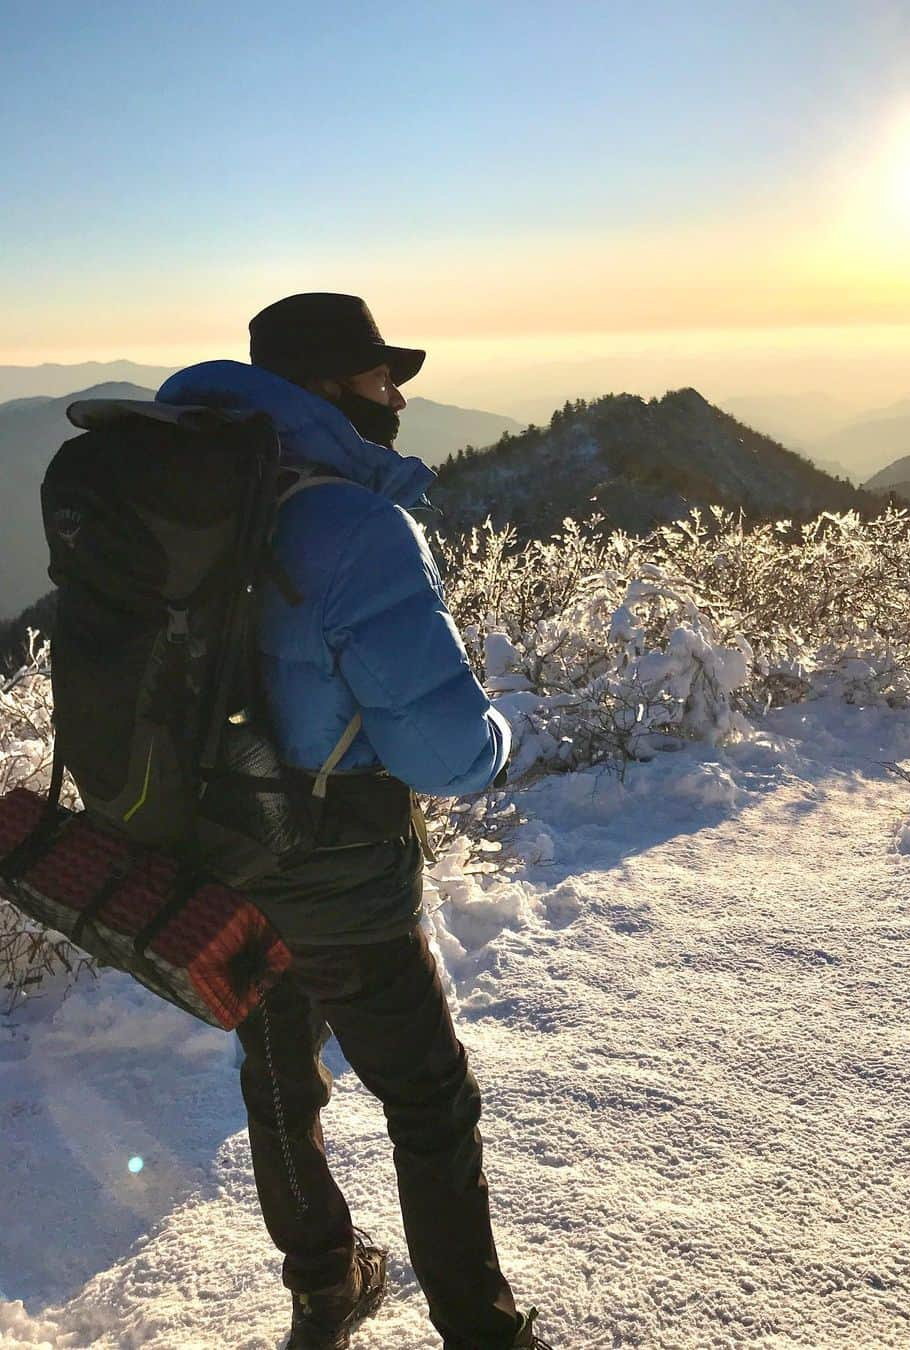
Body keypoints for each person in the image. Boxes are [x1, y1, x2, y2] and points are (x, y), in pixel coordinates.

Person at [155, 294, 550, 1350]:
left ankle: (325, 1285)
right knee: (429, 1103)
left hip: (215, 844)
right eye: (383, 377)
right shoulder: (354, 523)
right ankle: (484, 1331)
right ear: (331, 384)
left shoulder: (190, 489)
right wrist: (504, 737)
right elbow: (441, 751)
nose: (400, 394)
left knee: (280, 1083)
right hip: (336, 874)